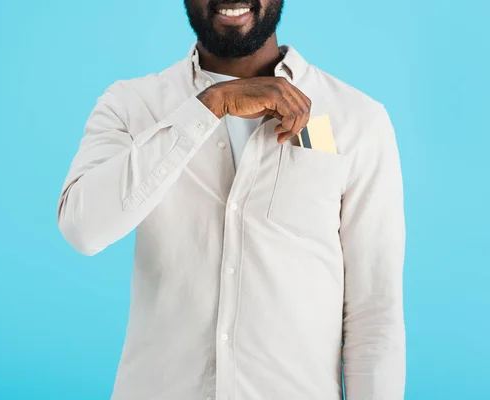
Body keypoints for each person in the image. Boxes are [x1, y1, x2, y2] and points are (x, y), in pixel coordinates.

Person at [56, 0, 406, 399]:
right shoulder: (131, 105)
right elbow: (83, 229)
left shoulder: (356, 119)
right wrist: (209, 107)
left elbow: (374, 311)